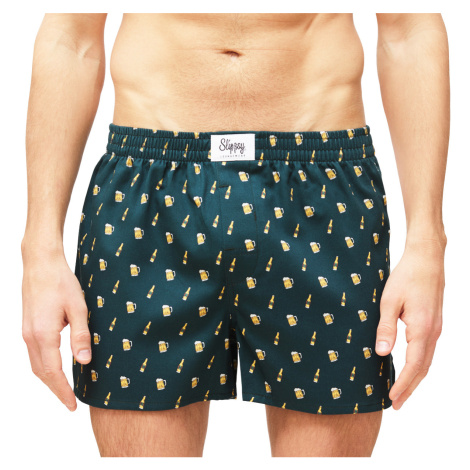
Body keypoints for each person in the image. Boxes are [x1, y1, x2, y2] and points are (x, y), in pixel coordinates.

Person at [21, 13, 449, 457]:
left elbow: (409, 29)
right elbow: (71, 37)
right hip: (150, 189)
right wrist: (39, 251)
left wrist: (427, 244)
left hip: (321, 190)